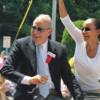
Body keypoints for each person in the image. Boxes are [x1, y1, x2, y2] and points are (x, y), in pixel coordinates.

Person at [0, 14, 82, 100]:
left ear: (49, 32)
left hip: (53, 95)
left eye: (40, 29)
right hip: (27, 95)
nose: (35, 32)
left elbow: (69, 78)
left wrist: (79, 97)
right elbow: (5, 70)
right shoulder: (20, 45)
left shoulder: (59, 50)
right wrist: (29, 80)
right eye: (33, 27)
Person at [58, 0, 100, 100]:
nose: (84, 31)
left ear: (98, 32)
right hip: (76, 90)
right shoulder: (79, 39)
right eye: (83, 29)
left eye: (88, 29)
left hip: (95, 93)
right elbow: (65, 19)